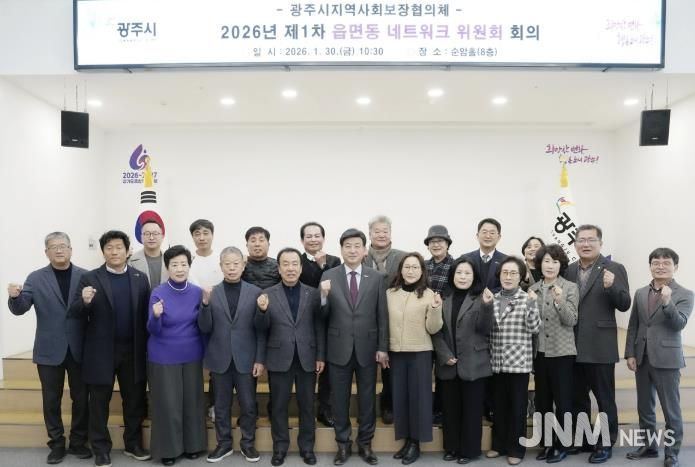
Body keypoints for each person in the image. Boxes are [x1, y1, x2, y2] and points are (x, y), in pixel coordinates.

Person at [68, 230, 151, 467]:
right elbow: (74, 312)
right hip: (100, 351)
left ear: (128, 251)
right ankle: (101, 448)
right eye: (109, 248)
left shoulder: (140, 277)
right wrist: (84, 301)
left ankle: (133, 444)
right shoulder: (90, 278)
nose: (114, 252)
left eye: (118, 247)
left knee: (133, 400)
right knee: (99, 402)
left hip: (132, 350)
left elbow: (145, 315)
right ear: (103, 251)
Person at [7, 232, 91, 464]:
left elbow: (93, 309)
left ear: (71, 249)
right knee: (51, 400)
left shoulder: (85, 276)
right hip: (48, 348)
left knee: (81, 398)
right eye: (53, 247)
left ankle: (78, 441)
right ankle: (56, 444)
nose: (59, 250)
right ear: (46, 252)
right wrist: (14, 297)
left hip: (79, 348)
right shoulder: (35, 278)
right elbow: (21, 308)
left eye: (63, 246)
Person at [320, 228, 389, 466]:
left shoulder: (376, 277)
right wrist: (323, 297)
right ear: (341, 249)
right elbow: (322, 317)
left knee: (367, 400)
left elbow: (382, 315)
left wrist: (382, 347)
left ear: (364, 250)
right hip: (338, 348)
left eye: (357, 246)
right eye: (347, 246)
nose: (352, 250)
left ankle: (365, 444)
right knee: (339, 400)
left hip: (368, 348)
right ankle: (343, 444)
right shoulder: (329, 275)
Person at [564, 224, 631, 463]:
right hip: (572, 345)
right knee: (577, 398)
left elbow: (624, 303)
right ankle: (583, 439)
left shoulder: (614, 268)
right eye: (581, 240)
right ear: (575, 244)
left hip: (600, 345)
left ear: (600, 243)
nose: (586, 244)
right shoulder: (569, 270)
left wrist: (612, 287)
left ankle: (605, 443)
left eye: (591, 240)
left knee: (604, 398)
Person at [255, 247, 325, 466]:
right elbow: (261, 329)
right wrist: (262, 311)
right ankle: (280, 448)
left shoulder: (313, 293)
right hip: (278, 358)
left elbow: (319, 326)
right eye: (285, 264)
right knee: (278, 406)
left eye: (295, 264)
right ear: (279, 268)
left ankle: (307, 448)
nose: (290, 268)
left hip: (307, 357)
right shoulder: (267, 293)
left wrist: (320, 355)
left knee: (307, 406)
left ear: (301, 268)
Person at [624, 248, 693, 467]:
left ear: (675, 267)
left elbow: (679, 323)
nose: (660, 266)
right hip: (642, 357)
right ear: (650, 266)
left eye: (666, 263)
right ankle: (649, 446)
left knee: (671, 410)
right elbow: (634, 325)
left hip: (667, 359)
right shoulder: (640, 293)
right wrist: (630, 353)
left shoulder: (685, 294)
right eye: (656, 262)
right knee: (645, 407)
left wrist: (667, 302)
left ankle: (672, 453)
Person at [198, 246, 264, 464]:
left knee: (249, 405)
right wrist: (205, 304)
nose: (232, 268)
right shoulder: (211, 292)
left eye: (236, 263)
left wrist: (259, 359)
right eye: (228, 264)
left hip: (247, 359)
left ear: (243, 265)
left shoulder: (255, 292)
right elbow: (204, 327)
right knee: (221, 406)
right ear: (221, 266)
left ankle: (248, 444)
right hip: (220, 358)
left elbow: (261, 330)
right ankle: (224, 444)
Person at [147, 245, 207, 465]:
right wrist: (155, 316)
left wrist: (206, 306)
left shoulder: (198, 292)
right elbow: (153, 330)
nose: (180, 269)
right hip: (163, 355)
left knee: (192, 402)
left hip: (192, 354)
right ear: (167, 268)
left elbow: (204, 326)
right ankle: (169, 451)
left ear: (189, 266)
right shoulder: (158, 292)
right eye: (174, 265)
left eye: (183, 264)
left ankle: (193, 446)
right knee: (168, 404)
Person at [432, 257, 492, 464]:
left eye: (467, 273)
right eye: (459, 272)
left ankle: (469, 450)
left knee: (472, 411)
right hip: (449, 363)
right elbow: (436, 331)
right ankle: (451, 447)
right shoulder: (443, 298)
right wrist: (444, 354)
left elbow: (485, 328)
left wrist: (487, 306)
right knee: (450, 410)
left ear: (474, 276)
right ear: (452, 275)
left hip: (474, 363)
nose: (463, 277)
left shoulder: (482, 298)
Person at [387, 253, 443, 465]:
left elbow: (433, 328)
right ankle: (406, 440)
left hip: (420, 352)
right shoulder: (390, 294)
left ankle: (415, 443)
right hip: (396, 352)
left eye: (415, 267)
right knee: (400, 398)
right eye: (407, 267)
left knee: (419, 399)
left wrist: (436, 309)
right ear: (401, 270)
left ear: (422, 271)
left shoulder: (430, 295)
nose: (411, 271)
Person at [486, 256, 540, 466]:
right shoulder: (493, 298)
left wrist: (532, 305)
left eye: (513, 273)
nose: (508, 277)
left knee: (517, 408)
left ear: (521, 277)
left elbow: (534, 328)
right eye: (505, 273)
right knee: (498, 406)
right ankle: (498, 445)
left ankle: (516, 449)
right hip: (496, 361)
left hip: (518, 363)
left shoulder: (527, 298)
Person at [528, 244, 579, 463]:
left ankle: (563, 444)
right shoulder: (533, 290)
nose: (550, 265)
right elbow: (530, 324)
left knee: (563, 400)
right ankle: (547, 443)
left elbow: (572, 320)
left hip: (562, 353)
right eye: (546, 261)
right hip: (540, 353)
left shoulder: (570, 287)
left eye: (555, 261)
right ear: (540, 264)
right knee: (543, 401)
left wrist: (559, 300)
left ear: (561, 265)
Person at [298, 221, 341, 428]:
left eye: (317, 235)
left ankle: (325, 409)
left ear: (323, 238)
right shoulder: (296, 261)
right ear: (302, 240)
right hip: (303, 320)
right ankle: (304, 411)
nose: (313, 239)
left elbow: (332, 287)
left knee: (328, 369)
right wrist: (318, 267)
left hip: (327, 319)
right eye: (309, 236)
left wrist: (323, 266)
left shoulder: (334, 261)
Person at [363, 215, 405, 425]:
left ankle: (388, 403)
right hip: (365, 320)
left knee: (391, 367)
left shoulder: (403, 257)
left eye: (385, 231)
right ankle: (366, 410)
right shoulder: (360, 257)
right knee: (366, 367)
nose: (381, 235)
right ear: (370, 234)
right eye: (377, 231)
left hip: (395, 319)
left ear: (390, 233)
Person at [423, 224, 455, 427]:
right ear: (428, 245)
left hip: (447, 325)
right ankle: (427, 410)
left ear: (447, 244)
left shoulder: (456, 265)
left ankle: (442, 411)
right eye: (432, 242)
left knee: (444, 371)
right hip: (425, 323)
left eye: (440, 241)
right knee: (425, 370)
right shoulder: (423, 266)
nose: (436, 245)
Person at [462, 218, 508, 293]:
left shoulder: (506, 261)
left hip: (496, 299)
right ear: (477, 235)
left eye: (492, 233)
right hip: (469, 299)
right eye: (484, 232)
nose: (488, 236)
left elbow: (508, 285)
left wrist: (490, 294)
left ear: (499, 237)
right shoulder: (465, 258)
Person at [128, 219, 168, 289]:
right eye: (147, 234)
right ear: (141, 237)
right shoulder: (131, 261)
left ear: (162, 236)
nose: (151, 237)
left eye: (155, 233)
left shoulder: (170, 260)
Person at [188, 219, 223, 288]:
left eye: (205, 233)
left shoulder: (221, 259)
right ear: (192, 237)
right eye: (197, 234)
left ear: (212, 235)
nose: (202, 238)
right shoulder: (187, 261)